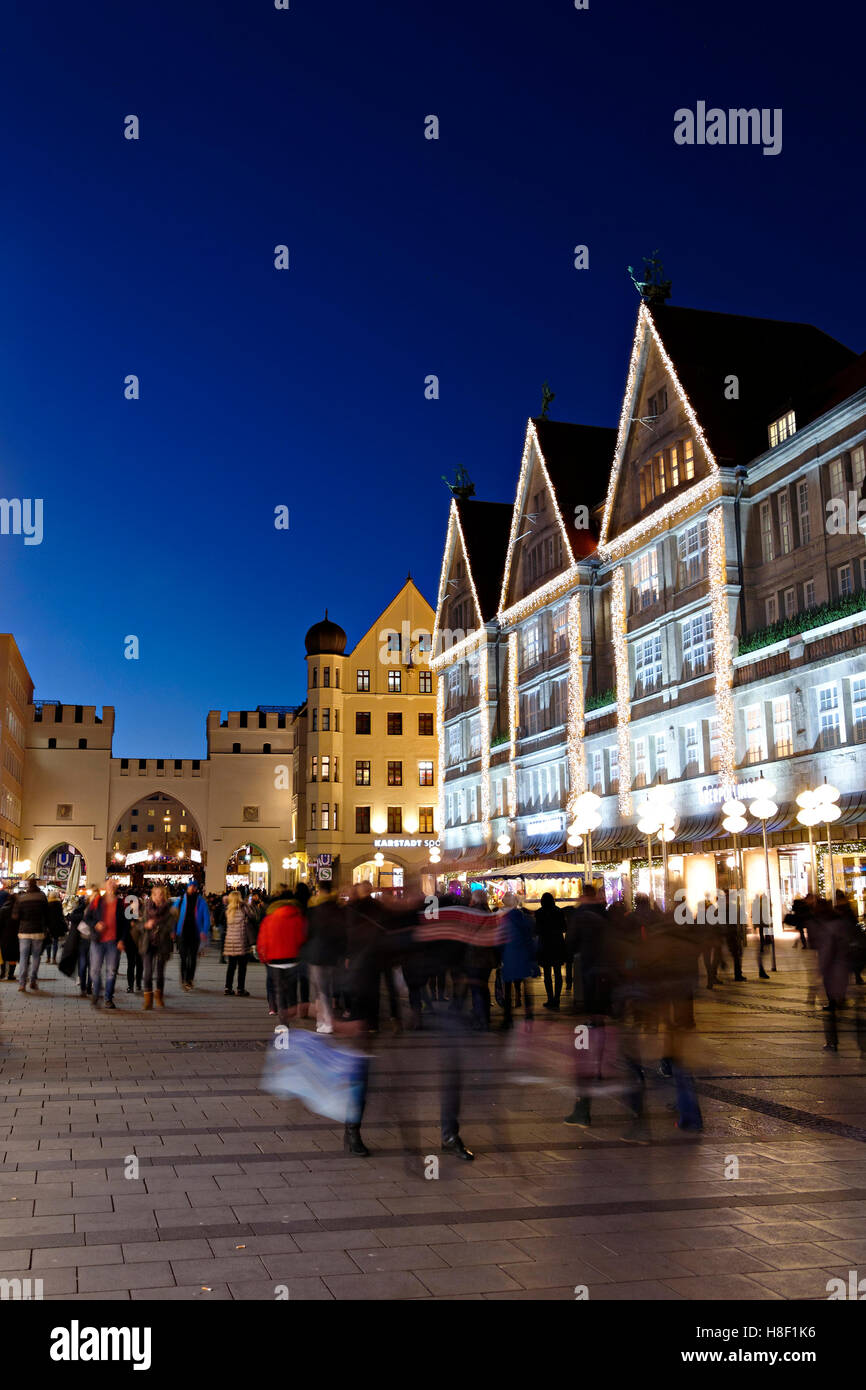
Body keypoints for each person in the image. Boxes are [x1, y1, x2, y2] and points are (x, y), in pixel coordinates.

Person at [303, 885, 347, 1034]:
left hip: (317, 954)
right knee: (329, 988)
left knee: (321, 990)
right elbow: (344, 934)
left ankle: (326, 1021)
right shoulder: (339, 910)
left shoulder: (314, 911)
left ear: (320, 893)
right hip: (335, 954)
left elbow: (307, 933)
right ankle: (324, 1020)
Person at [84, 878, 127, 1009]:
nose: (111, 886)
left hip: (113, 942)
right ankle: (96, 994)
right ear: (105, 887)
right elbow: (87, 917)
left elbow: (126, 924)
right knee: (95, 971)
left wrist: (122, 940)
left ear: (116, 888)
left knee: (112, 971)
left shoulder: (121, 903)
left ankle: (108, 998)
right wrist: (95, 924)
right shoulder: (97, 901)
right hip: (98, 941)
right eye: (109, 884)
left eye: (114, 884)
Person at [497, 892, 537, 1029]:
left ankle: (508, 1018)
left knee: (508, 988)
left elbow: (500, 940)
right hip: (523, 956)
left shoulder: (504, 920)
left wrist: (499, 956)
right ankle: (529, 1014)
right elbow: (530, 939)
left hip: (509, 956)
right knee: (526, 986)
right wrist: (532, 957)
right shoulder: (524, 918)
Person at [134, 884, 175, 1009]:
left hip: (162, 943)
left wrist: (157, 924)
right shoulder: (146, 908)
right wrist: (145, 925)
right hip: (148, 943)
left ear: (164, 896)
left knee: (160, 973)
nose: (158, 896)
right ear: (152, 895)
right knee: (147, 972)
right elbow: (138, 925)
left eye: (161, 894)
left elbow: (170, 926)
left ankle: (159, 996)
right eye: (156, 894)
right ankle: (148, 999)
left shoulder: (169, 909)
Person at [12, 876, 49, 992]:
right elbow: (47, 915)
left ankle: (22, 983)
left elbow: (15, 916)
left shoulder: (22, 898)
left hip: (24, 932)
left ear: (28, 885)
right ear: (36, 885)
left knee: (23, 958)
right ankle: (33, 980)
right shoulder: (42, 897)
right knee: (36, 957)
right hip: (38, 931)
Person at [175, 882, 211, 991]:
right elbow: (172, 916)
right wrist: (172, 930)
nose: (192, 888)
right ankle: (184, 979)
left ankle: (189, 979)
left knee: (193, 958)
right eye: (190, 886)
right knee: (183, 958)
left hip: (195, 933)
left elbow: (206, 918)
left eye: (194, 887)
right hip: (182, 933)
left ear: (196, 888)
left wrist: (204, 931)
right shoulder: (180, 900)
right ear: (187, 888)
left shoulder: (201, 902)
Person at [534, 891, 567, 1010]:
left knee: (547, 974)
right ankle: (557, 998)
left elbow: (536, 930)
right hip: (557, 944)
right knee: (557, 973)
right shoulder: (559, 911)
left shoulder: (539, 913)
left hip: (545, 945)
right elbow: (564, 928)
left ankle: (550, 998)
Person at [223, 890, 252, 996]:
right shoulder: (244, 909)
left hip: (230, 942)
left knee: (231, 966)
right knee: (242, 967)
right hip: (241, 941)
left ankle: (228, 987)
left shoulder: (228, 910)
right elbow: (253, 916)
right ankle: (240, 988)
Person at [45, 891, 66, 964]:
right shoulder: (59, 904)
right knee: (55, 942)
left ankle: (48, 958)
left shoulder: (47, 904)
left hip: (48, 926)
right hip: (56, 925)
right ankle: (54, 959)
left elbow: (45, 916)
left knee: (48, 942)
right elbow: (61, 916)